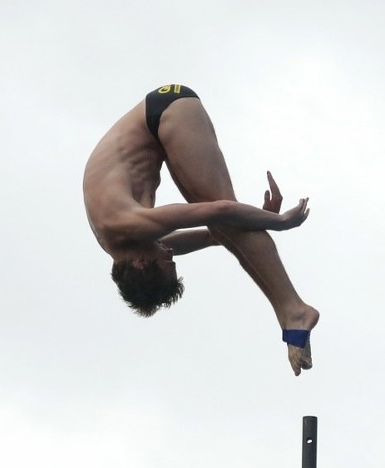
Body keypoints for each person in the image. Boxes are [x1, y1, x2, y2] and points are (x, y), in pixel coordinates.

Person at [83, 84, 319, 375]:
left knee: (226, 220)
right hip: (158, 125)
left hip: (169, 111)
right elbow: (210, 234)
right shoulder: (125, 244)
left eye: (166, 261)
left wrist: (280, 222)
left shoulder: (125, 223)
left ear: (142, 263)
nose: (170, 252)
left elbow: (219, 210)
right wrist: (245, 222)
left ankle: (294, 310)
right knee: (225, 229)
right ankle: (290, 314)